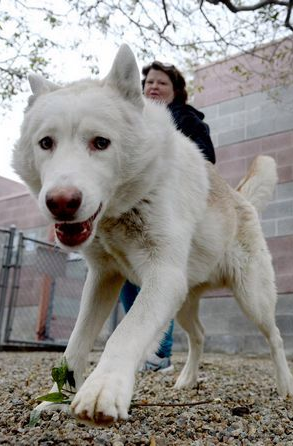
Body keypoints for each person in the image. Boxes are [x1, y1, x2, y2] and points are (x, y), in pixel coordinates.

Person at [119, 61, 216, 373]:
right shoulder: (130, 117)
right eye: (148, 82)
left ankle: (159, 354)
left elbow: (206, 159)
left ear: (175, 91)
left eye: (161, 83)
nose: (153, 86)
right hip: (130, 211)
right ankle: (138, 347)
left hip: (169, 211)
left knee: (159, 277)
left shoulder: (188, 119)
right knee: (126, 277)